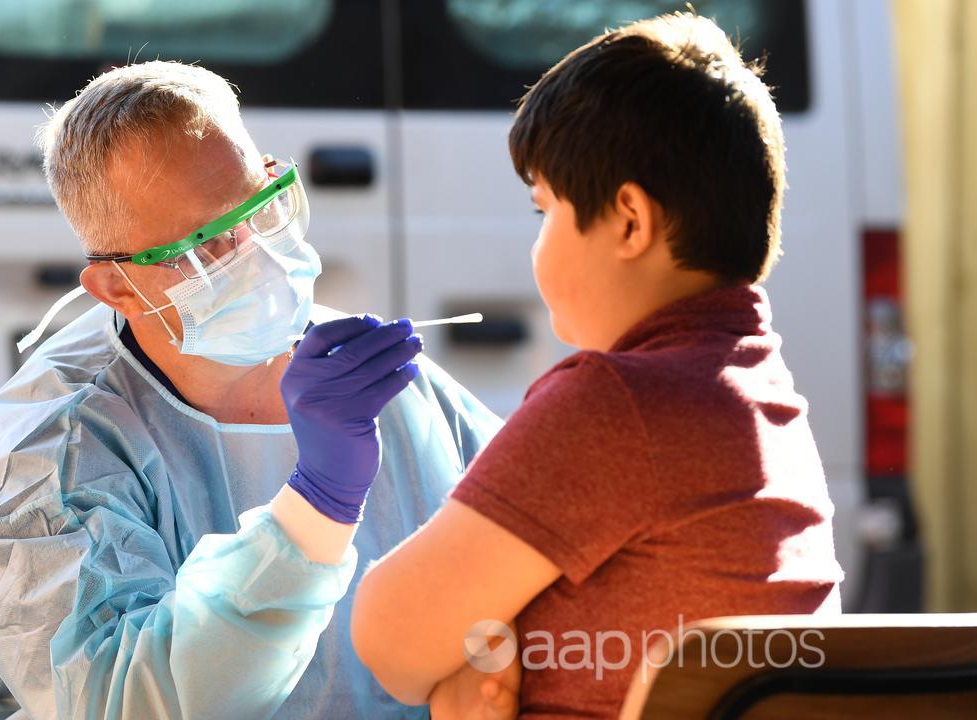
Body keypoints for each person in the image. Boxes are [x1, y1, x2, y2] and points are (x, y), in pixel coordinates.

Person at [0, 61, 509, 719]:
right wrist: (317, 506)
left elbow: (536, 555)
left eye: (262, 208)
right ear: (118, 286)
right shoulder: (45, 463)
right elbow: (133, 702)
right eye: (203, 250)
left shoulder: (387, 393)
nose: (254, 254)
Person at [342, 13, 845, 719]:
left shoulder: (619, 403)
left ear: (630, 222)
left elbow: (388, 641)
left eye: (544, 208)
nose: (537, 243)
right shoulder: (763, 399)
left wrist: (479, 657)